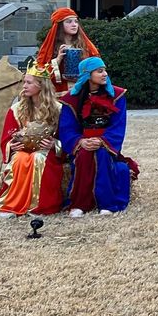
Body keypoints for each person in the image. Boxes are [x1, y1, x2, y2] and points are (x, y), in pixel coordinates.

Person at [59, 57, 136, 216]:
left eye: (105, 70)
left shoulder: (116, 95)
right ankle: (79, 204)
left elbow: (118, 125)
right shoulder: (71, 99)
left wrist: (102, 141)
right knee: (84, 156)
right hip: (83, 142)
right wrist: (81, 141)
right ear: (87, 74)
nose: (105, 74)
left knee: (102, 156)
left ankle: (107, 203)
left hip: (105, 142)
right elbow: (67, 128)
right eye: (100, 71)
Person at [0, 63, 69, 218]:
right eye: (24, 82)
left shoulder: (59, 109)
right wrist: (12, 145)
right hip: (23, 150)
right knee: (20, 159)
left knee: (38, 159)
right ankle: (12, 205)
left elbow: (68, 137)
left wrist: (54, 144)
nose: (24, 86)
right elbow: (6, 137)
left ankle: (39, 206)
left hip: (46, 153)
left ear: (41, 85)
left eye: (28, 82)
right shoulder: (16, 109)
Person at [35, 8, 100, 97]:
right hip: (60, 93)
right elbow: (41, 74)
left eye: (76, 22)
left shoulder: (86, 47)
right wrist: (58, 59)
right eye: (69, 22)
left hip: (83, 91)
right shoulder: (50, 48)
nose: (74, 25)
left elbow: (98, 67)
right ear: (60, 25)